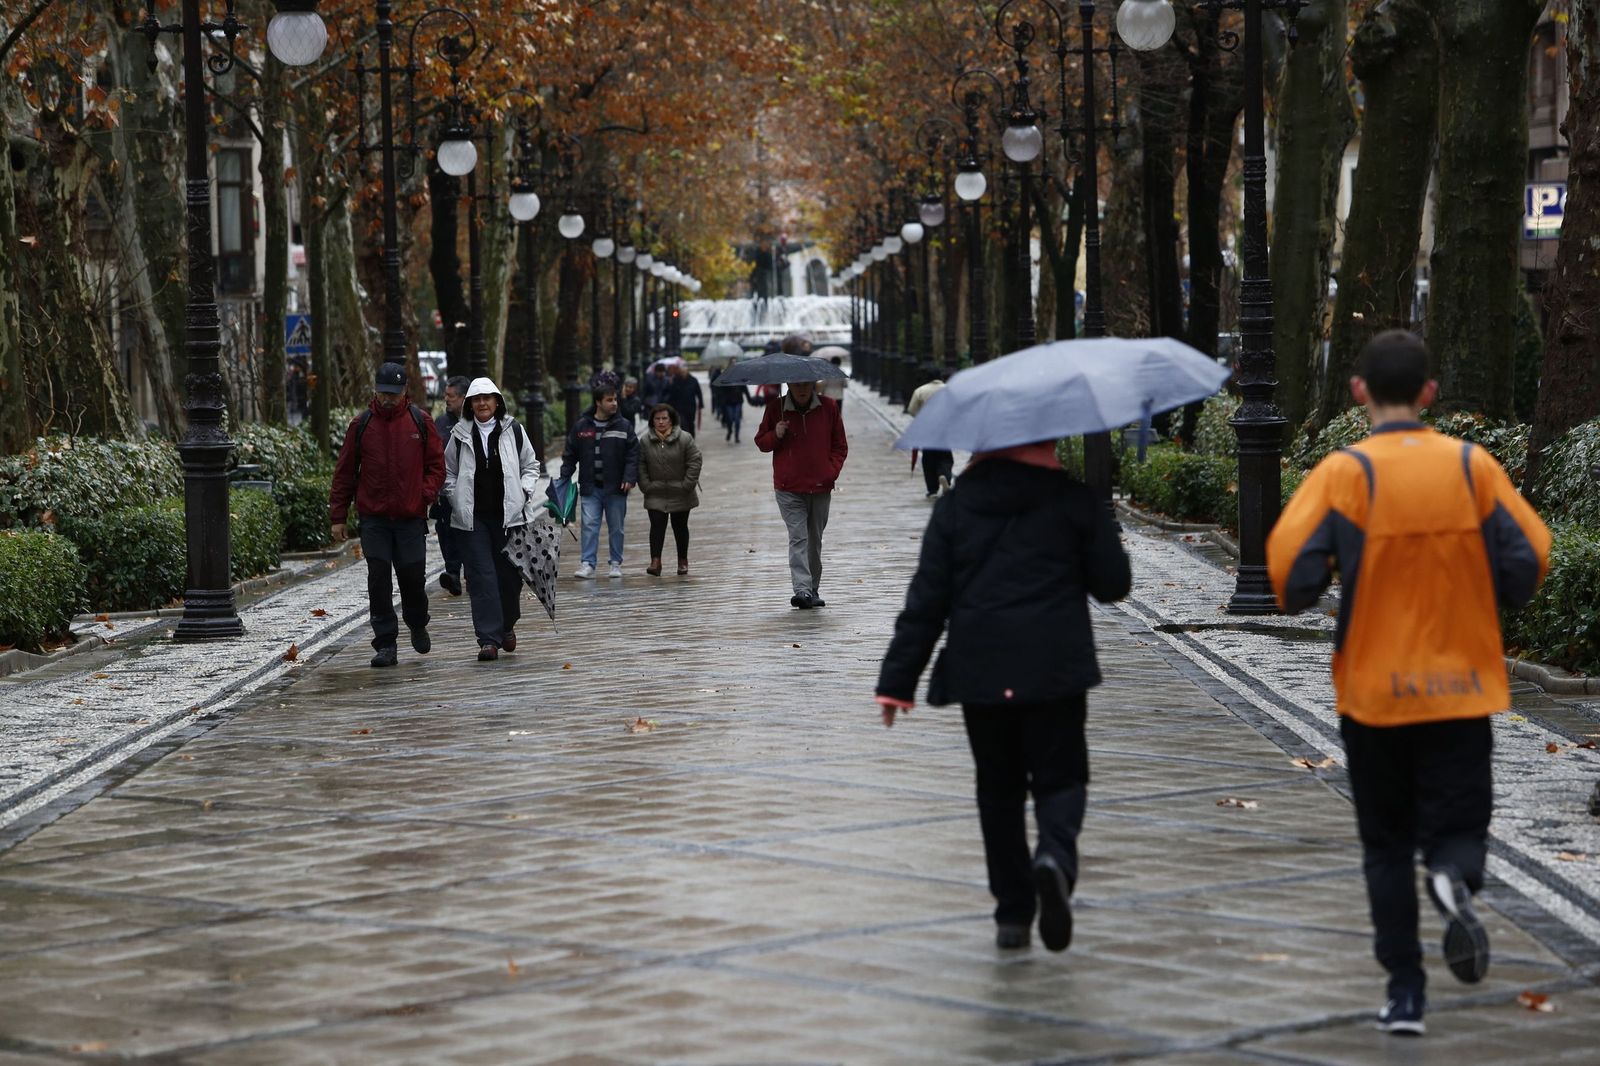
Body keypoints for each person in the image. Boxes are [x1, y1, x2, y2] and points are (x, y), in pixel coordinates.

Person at [1267, 329, 1551, 1037]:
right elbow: (1530, 560)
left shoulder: (1343, 475)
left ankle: (1404, 993)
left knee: (1386, 846)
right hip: (1462, 690)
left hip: (1374, 695)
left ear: (1360, 391)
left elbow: (1288, 574)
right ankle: (1455, 876)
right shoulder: (1471, 468)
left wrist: (1333, 572)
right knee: (1457, 825)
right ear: (1429, 394)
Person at [875, 436, 1129, 953]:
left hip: (981, 668)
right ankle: (1054, 857)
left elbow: (927, 599)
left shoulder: (957, 506)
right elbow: (1113, 585)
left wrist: (897, 683)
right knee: (1062, 775)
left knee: (999, 789)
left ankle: (1013, 915)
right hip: (1055, 665)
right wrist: (1101, 533)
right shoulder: (1073, 498)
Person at [329, 361, 445, 668]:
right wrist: (337, 515)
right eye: (383, 393)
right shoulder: (362, 424)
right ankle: (385, 643)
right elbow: (345, 472)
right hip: (374, 519)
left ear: (405, 391)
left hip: (410, 518)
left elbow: (437, 466)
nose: (388, 399)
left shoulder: (420, 422)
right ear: (375, 392)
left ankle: (417, 622)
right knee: (378, 579)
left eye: (394, 393)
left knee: (412, 578)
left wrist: (425, 494)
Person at [441, 377, 541, 662]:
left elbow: (531, 465)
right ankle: (488, 640)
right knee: (481, 578)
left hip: (509, 517)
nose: (482, 403)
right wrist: (455, 496)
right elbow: (448, 472)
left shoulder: (514, 430)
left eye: (488, 398)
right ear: (470, 404)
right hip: (472, 520)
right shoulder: (459, 434)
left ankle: (506, 624)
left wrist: (524, 490)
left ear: (497, 401)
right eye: (477, 399)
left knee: (509, 578)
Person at [754, 336, 848, 609]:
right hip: (788, 487)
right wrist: (776, 434)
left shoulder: (829, 408)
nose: (802, 389)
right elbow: (761, 442)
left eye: (806, 384)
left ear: (814, 384)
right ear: (790, 386)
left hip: (820, 485)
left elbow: (840, 446)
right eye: (797, 384)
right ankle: (803, 590)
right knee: (799, 537)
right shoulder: (776, 409)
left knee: (814, 541)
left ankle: (813, 588)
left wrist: (831, 472)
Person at [560, 371, 640, 579]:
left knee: (617, 528)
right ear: (598, 402)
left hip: (616, 487)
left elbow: (633, 455)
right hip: (590, 486)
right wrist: (563, 479)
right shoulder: (582, 427)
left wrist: (629, 478)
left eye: (615, 399)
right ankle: (587, 563)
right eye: (609, 400)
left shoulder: (624, 426)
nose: (614, 403)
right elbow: (570, 454)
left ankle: (615, 563)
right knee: (590, 526)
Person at [637, 403, 703, 576]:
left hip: (680, 492)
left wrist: (687, 484)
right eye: (657, 419)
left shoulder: (685, 438)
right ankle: (655, 561)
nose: (661, 422)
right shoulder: (645, 441)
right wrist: (646, 485)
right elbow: (640, 464)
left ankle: (682, 560)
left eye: (664, 418)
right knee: (657, 526)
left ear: (671, 419)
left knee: (680, 527)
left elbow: (695, 461)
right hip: (655, 492)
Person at [431, 375, 469, 595]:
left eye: (451, 396)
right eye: (446, 395)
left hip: (472, 491)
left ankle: (472, 573)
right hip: (446, 491)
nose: (446, 399)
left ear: (463, 398)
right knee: (446, 531)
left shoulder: (476, 422)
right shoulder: (441, 423)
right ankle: (452, 572)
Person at [907, 372, 953, 498]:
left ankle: (932, 489)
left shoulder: (920, 391)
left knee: (928, 459)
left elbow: (911, 409)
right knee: (945, 457)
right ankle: (944, 476)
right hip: (944, 428)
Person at [664, 362, 704, 437]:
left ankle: (691, 437)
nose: (683, 373)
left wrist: (701, 404)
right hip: (679, 407)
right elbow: (671, 394)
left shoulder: (693, 380)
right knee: (683, 424)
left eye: (684, 371)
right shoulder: (675, 380)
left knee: (690, 423)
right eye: (681, 371)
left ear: (687, 371)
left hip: (691, 406)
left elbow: (699, 392)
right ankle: (687, 438)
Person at [711, 361, 747, 443]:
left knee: (737, 419)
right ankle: (730, 431)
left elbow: (744, 388)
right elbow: (719, 388)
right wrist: (719, 398)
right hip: (728, 402)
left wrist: (750, 399)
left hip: (738, 401)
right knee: (730, 419)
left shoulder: (740, 376)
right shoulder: (725, 376)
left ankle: (737, 436)